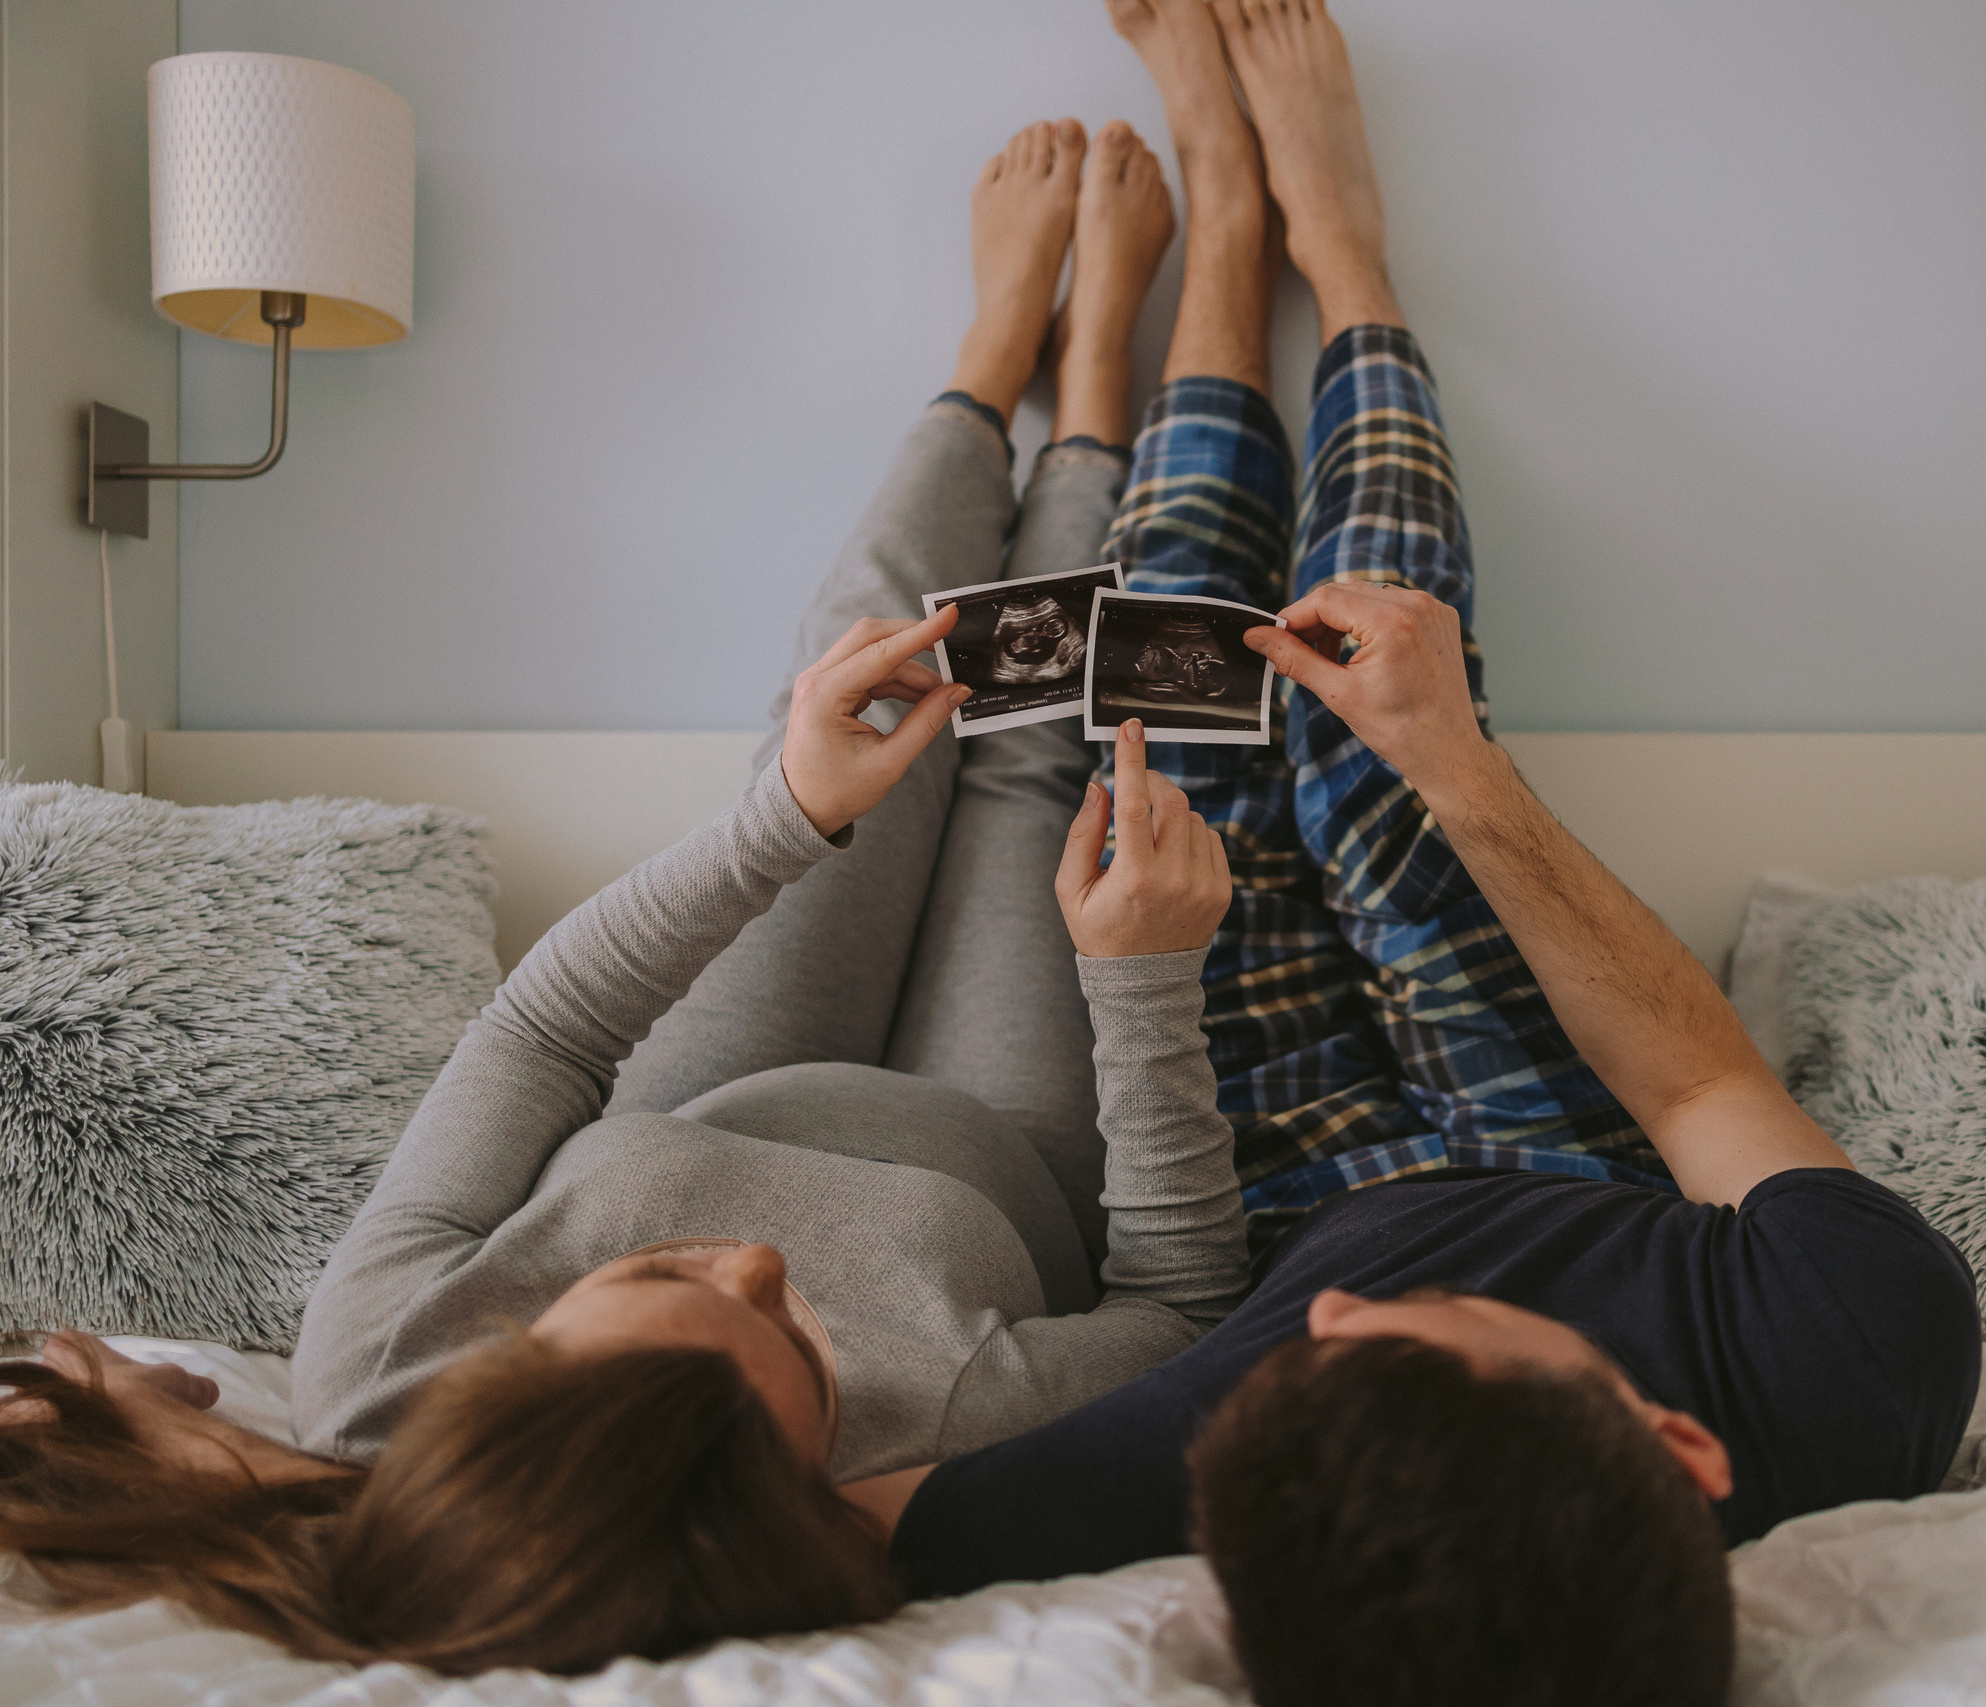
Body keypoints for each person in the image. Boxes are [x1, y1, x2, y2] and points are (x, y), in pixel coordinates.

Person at [0, 119, 1248, 1677]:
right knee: (1016, 768)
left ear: (503, 1367)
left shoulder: (383, 1366)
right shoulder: (940, 1437)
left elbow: (543, 1027)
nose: (758, 1266)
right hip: (997, 1158)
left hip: (714, 1087)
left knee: (859, 701)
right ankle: (1096, 419)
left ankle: (992, 362)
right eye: (796, 1349)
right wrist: (1145, 981)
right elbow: (1188, 1301)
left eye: (656, 1275)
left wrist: (780, 822)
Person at [852, 7, 1983, 1707]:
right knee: (1375, 742)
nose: (1334, 1323)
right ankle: (1345, 256)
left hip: (1285, 1176)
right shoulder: (1858, 1352)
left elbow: (768, 1517)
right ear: (1680, 1441)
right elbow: (1692, 1087)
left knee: (1178, 723)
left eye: (1307, 1380)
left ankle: (1224, 245)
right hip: (1575, 1146)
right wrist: (1459, 762)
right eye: (1412, 1349)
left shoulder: (1243, 1456)